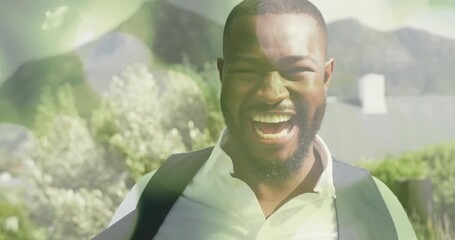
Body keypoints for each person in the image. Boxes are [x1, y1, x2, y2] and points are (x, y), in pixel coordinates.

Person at [105, 0, 416, 239]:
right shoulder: (151, 199)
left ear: (326, 77)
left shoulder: (380, 209)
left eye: (295, 70)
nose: (271, 92)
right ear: (222, 74)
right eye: (248, 70)